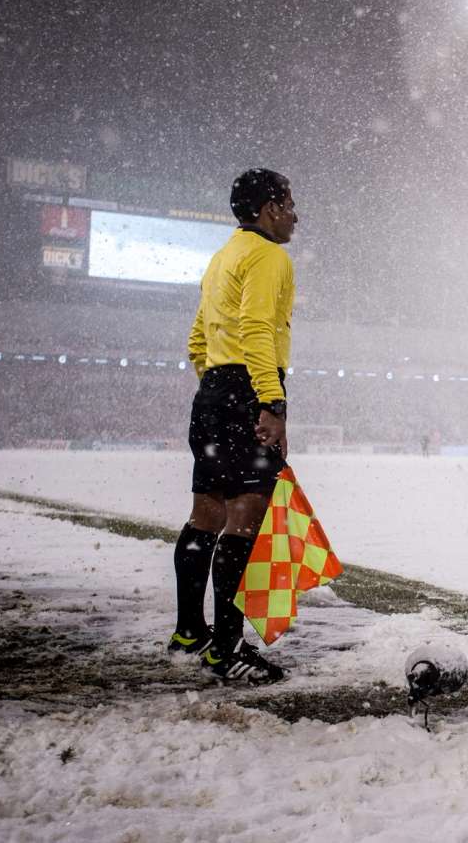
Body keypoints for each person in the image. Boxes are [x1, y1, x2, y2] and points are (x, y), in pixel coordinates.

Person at [169, 168, 298, 685]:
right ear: (269, 207)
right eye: (288, 203)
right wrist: (269, 400)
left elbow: (198, 338)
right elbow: (257, 327)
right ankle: (227, 649)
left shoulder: (223, 257)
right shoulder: (269, 255)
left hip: (214, 391)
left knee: (205, 514)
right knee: (244, 518)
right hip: (249, 389)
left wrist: (216, 386)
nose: (294, 214)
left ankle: (188, 632)